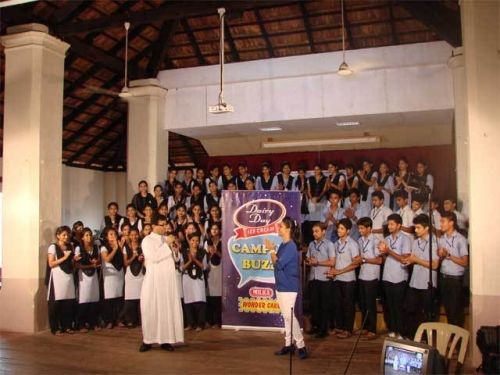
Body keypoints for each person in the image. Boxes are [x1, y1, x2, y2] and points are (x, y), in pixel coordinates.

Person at [265, 217, 308, 359]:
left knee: (289, 316)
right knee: (286, 317)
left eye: (281, 226)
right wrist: (272, 252)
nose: (279, 228)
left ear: (288, 229)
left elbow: (278, 264)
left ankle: (301, 345)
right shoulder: (283, 245)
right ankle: (288, 344)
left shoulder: (290, 247)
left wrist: (271, 250)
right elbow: (275, 263)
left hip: (289, 286)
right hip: (281, 285)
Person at [140, 215, 184, 352]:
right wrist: (166, 245)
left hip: (167, 281)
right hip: (153, 280)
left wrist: (176, 251)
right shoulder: (147, 240)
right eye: (161, 224)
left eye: (165, 224)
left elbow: (175, 259)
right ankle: (148, 340)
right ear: (153, 226)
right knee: (150, 308)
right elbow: (153, 257)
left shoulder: (167, 239)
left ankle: (166, 339)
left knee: (166, 309)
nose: (164, 227)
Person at [401, 214, 439, 339]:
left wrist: (416, 260)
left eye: (418, 228)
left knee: (427, 314)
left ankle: (426, 340)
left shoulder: (433, 243)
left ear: (426, 228)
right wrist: (408, 261)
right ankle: (413, 337)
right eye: (415, 228)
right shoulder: (416, 242)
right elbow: (413, 258)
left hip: (427, 283)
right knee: (409, 309)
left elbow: (434, 265)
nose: (415, 230)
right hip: (415, 282)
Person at [378, 214, 412, 339]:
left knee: (399, 306)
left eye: (392, 224)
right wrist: (382, 253)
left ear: (399, 225)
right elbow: (385, 256)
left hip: (399, 276)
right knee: (389, 305)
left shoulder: (405, 239)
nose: (389, 226)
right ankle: (392, 329)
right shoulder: (386, 239)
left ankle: (401, 331)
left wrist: (389, 252)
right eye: (388, 224)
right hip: (387, 275)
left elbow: (405, 258)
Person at [326, 218, 360, 339]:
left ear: (348, 230)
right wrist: (332, 272)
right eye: (338, 228)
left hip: (348, 279)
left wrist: (340, 271)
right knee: (338, 304)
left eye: (342, 229)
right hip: (337, 279)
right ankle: (339, 327)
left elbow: (356, 263)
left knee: (348, 305)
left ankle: (348, 329)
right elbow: (334, 261)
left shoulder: (353, 244)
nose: (338, 231)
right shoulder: (336, 244)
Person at [438, 212, 469, 327]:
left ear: (451, 223)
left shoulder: (460, 239)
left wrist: (449, 256)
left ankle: (458, 341)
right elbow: (440, 258)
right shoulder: (441, 239)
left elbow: (465, 262)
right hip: (443, 277)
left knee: (456, 311)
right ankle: (451, 339)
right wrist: (440, 255)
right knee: (448, 309)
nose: (440, 224)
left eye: (443, 221)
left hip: (455, 279)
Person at [304, 222, 335, 339]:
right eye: (313, 231)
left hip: (324, 278)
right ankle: (315, 327)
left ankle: (323, 329)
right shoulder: (311, 244)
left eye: (316, 231)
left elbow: (332, 262)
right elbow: (308, 258)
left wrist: (318, 262)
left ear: (323, 232)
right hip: (313, 277)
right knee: (314, 304)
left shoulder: (329, 244)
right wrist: (309, 260)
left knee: (324, 305)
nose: (314, 234)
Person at [47, 226, 76, 335]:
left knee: (68, 303)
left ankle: (67, 326)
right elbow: (51, 263)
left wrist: (74, 260)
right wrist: (64, 257)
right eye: (63, 234)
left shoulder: (70, 246)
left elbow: (72, 263)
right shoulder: (53, 247)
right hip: (57, 277)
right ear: (58, 235)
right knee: (55, 305)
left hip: (68, 277)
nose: (66, 236)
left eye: (67, 234)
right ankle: (55, 328)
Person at [356, 217, 382, 340]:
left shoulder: (376, 241)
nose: (359, 230)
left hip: (372, 275)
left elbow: (379, 260)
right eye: (359, 228)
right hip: (362, 274)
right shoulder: (360, 240)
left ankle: (372, 329)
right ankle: (364, 327)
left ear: (369, 228)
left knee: (371, 304)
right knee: (362, 302)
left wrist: (365, 260)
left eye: (362, 228)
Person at [75, 228, 101, 332]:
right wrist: (91, 265)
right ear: (82, 237)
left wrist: (96, 262)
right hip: (83, 276)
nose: (89, 237)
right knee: (84, 299)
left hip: (93, 275)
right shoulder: (78, 248)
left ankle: (93, 322)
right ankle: (81, 324)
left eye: (90, 235)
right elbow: (77, 264)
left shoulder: (96, 247)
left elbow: (99, 261)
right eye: (86, 235)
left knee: (93, 298)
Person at [181, 232, 208, 331]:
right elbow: (181, 267)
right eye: (193, 240)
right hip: (187, 278)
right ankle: (190, 323)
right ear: (189, 241)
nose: (195, 242)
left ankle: (200, 324)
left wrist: (195, 260)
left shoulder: (203, 252)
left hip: (198, 278)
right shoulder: (184, 252)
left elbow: (204, 267)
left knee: (200, 300)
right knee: (188, 301)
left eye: (197, 240)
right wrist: (189, 261)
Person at [100, 227, 125, 329]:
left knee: (119, 296)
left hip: (119, 273)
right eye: (110, 234)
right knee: (109, 297)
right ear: (106, 236)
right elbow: (107, 259)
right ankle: (109, 320)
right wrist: (115, 248)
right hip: (109, 274)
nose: (113, 236)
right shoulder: (104, 247)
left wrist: (119, 246)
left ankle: (118, 319)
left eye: (114, 234)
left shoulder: (120, 245)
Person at [122, 228, 145, 327]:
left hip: (140, 273)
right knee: (130, 297)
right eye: (132, 235)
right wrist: (134, 256)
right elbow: (126, 263)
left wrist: (142, 259)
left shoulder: (142, 246)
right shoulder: (126, 247)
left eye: (136, 235)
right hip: (130, 275)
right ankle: (130, 320)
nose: (134, 237)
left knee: (141, 298)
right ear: (129, 236)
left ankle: (141, 320)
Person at [204, 223, 223, 328]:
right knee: (209, 296)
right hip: (210, 271)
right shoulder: (207, 242)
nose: (214, 231)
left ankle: (217, 321)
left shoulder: (222, 242)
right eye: (212, 229)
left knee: (218, 297)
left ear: (219, 230)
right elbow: (205, 256)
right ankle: (209, 320)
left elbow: (224, 256)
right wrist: (211, 253)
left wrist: (215, 251)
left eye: (216, 229)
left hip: (220, 270)